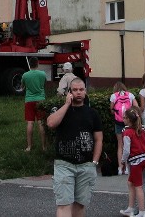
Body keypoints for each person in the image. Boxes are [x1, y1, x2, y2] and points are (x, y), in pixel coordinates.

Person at [46, 77, 102, 217]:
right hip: (64, 165)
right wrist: (66, 105)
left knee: (80, 205)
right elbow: (51, 124)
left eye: (81, 90)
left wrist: (94, 162)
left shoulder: (93, 114)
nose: (78, 92)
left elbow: (98, 140)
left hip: (86, 166)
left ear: (85, 92)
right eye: (75, 90)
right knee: (64, 204)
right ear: (69, 92)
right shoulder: (61, 111)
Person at [119, 108, 145, 217]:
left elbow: (126, 150)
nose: (123, 119)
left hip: (135, 161)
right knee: (131, 183)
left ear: (128, 119)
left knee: (138, 186)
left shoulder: (127, 132)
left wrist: (122, 160)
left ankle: (141, 212)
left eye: (124, 117)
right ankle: (130, 208)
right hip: (143, 159)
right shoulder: (141, 130)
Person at [110, 82, 138, 175]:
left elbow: (112, 110)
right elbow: (136, 107)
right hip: (129, 122)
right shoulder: (130, 95)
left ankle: (120, 167)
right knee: (129, 143)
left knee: (120, 144)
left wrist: (118, 115)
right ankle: (127, 168)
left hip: (118, 122)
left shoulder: (113, 96)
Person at [21, 57, 47, 152]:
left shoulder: (25, 75)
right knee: (41, 122)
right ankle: (44, 147)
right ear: (37, 63)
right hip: (41, 100)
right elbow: (44, 85)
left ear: (29, 64)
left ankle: (29, 147)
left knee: (30, 123)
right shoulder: (43, 74)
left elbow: (22, 86)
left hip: (29, 100)